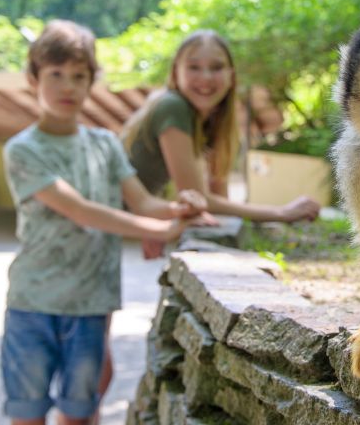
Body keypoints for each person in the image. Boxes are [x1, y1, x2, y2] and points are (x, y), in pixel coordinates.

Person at [1, 20, 205, 425]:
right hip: (33, 304)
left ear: (92, 82)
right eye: (55, 74)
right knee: (28, 414)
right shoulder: (22, 149)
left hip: (92, 303)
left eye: (79, 76)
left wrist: (180, 206)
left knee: (79, 412)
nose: (67, 86)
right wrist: (159, 232)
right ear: (33, 78)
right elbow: (79, 210)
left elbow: (144, 201)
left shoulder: (105, 144)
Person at [120, 29, 321, 258]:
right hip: (105, 220)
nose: (205, 77)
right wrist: (280, 212)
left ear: (231, 75)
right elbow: (197, 196)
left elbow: (217, 195)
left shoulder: (210, 120)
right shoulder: (173, 106)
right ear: (176, 72)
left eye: (216, 67)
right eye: (194, 67)